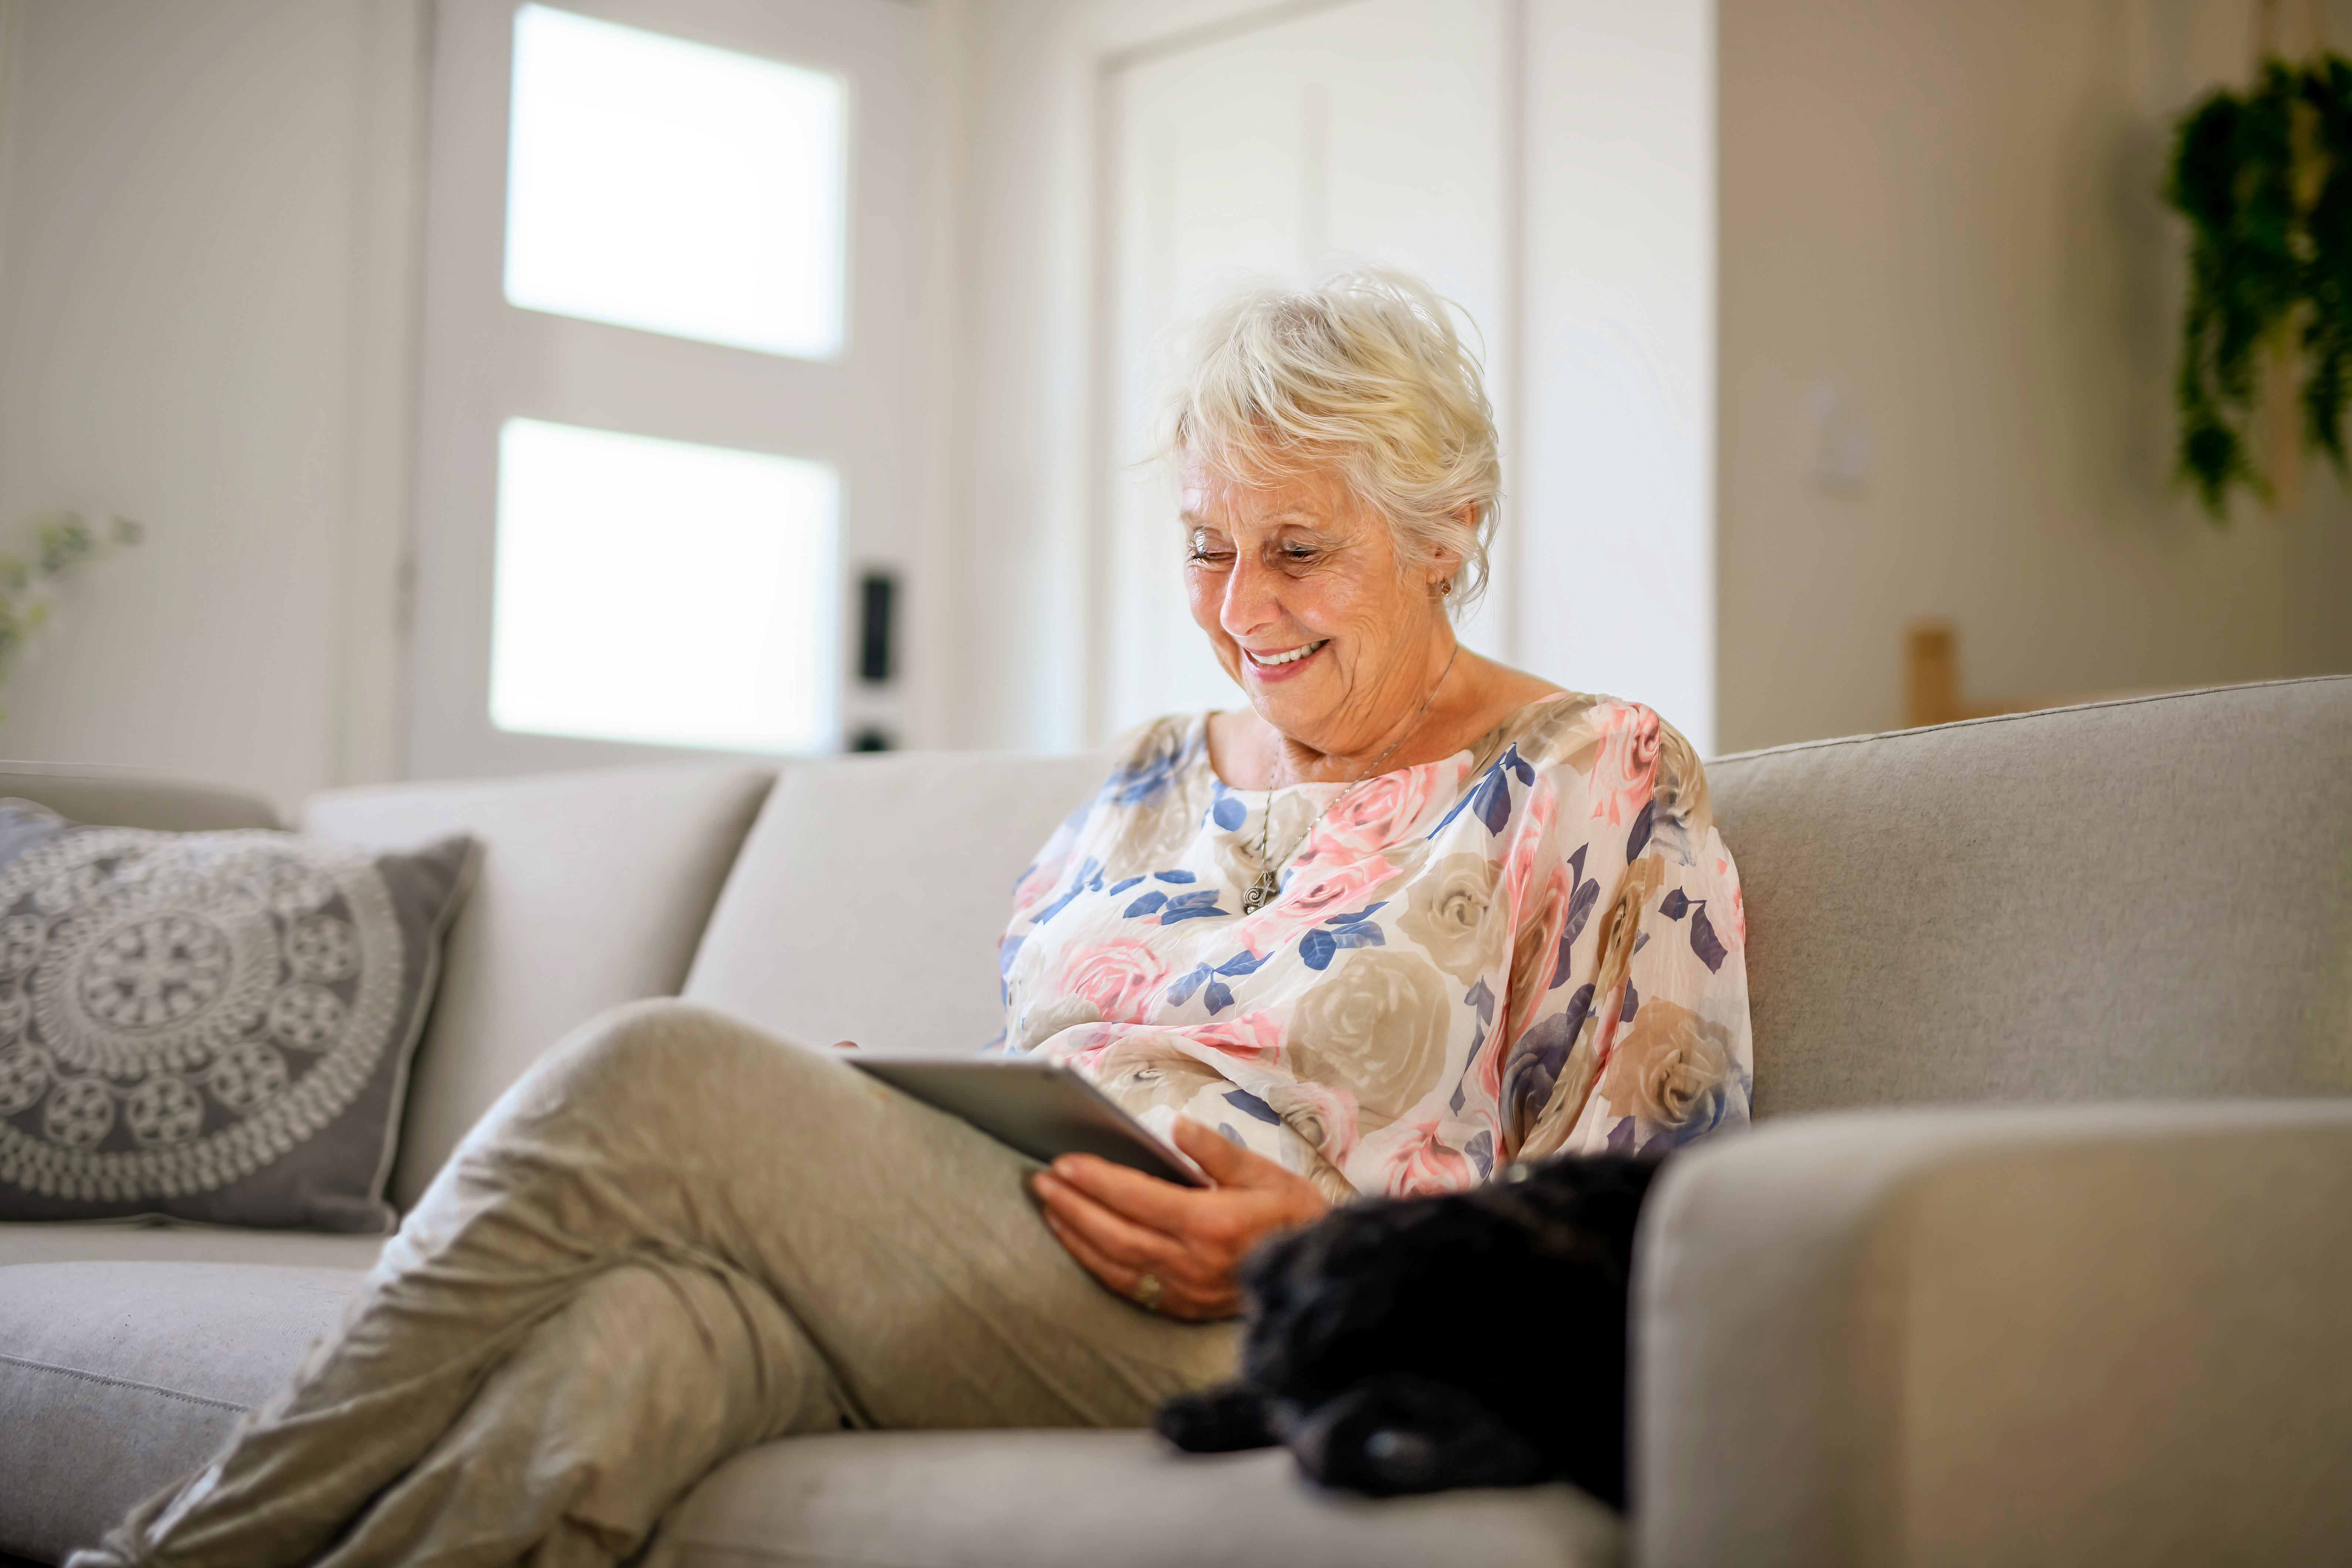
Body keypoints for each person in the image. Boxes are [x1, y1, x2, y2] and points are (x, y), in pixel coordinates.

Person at [75, 269, 1749, 1568]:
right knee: (637, 1353)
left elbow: (1656, 1208)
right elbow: (1041, 1047)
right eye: (1204, 547)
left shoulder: (1594, 772)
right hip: (1004, 1241)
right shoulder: (1148, 773)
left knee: (655, 1076)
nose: (1241, 610)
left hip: (1269, 1322)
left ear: (1450, 527)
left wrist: (1314, 1245)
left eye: (1298, 549)